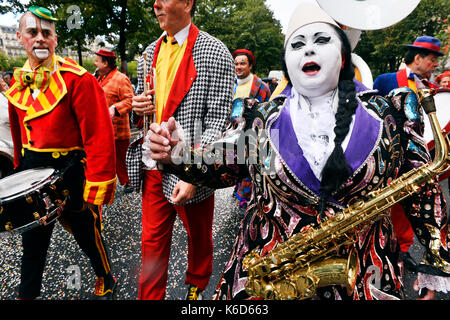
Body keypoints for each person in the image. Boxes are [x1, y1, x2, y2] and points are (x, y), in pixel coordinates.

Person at [148, 3, 450, 300]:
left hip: (366, 278)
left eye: (321, 40)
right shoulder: (263, 120)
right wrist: (176, 152)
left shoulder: (388, 116)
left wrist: (436, 264)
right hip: (266, 282)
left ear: (344, 56)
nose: (308, 50)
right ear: (288, 61)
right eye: (297, 44)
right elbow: (222, 166)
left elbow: (424, 191)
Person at [4, 6, 118, 300]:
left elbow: (97, 134)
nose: (40, 39)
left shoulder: (77, 79)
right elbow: (18, 132)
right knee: (33, 241)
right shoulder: (18, 82)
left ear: (55, 39)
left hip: (68, 169)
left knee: (86, 233)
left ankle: (106, 275)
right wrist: (18, 169)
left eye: (47, 33)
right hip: (32, 170)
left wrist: (98, 181)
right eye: (32, 32)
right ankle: (27, 294)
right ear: (20, 38)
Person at [129, 0, 234, 300]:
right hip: (153, 166)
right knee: (151, 245)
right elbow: (144, 106)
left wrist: (196, 172)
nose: (155, 4)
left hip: (191, 167)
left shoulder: (216, 52)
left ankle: (196, 288)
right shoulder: (149, 52)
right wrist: (138, 109)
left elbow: (218, 120)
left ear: (188, 3)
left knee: (198, 237)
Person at [373, 36, 444, 268]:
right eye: (432, 60)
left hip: (422, 156)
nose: (434, 65)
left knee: (418, 205)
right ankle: (391, 250)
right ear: (417, 58)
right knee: (390, 205)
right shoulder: (385, 80)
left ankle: (411, 251)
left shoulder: (432, 87)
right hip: (392, 154)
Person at [232, 49, 271, 207]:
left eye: (242, 63)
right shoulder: (230, 83)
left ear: (250, 66)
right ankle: (241, 191)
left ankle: (253, 197)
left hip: (254, 133)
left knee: (253, 165)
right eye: (236, 64)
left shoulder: (261, 86)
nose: (238, 67)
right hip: (233, 132)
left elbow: (266, 110)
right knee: (236, 164)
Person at [95, 49, 134, 194]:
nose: (94, 63)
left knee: (121, 160)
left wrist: (114, 108)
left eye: (97, 61)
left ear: (105, 63)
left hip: (118, 130)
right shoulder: (100, 77)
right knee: (106, 159)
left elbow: (130, 100)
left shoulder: (121, 78)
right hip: (103, 129)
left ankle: (129, 181)